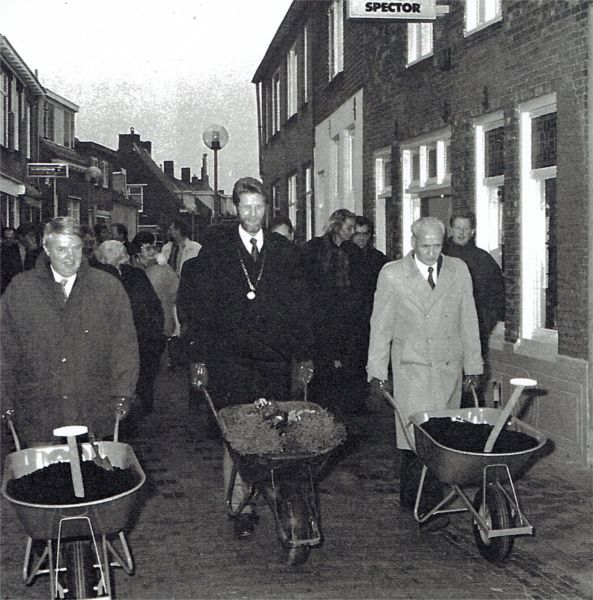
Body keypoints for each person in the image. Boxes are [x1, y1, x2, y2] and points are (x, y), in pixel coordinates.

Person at [186, 176, 314, 539]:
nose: (252, 214)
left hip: (274, 361)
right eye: (245, 207)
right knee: (239, 433)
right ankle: (240, 504)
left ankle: (279, 498)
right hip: (230, 361)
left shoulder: (285, 251)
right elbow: (200, 309)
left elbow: (300, 308)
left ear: (267, 209)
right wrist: (198, 358)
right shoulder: (216, 250)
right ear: (234, 208)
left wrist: (304, 356)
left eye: (258, 207)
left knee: (275, 428)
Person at [367, 216, 483, 530]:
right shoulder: (392, 275)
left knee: (441, 436)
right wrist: (376, 373)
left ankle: (426, 501)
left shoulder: (458, 270)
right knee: (415, 438)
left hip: (447, 368)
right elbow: (380, 328)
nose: (431, 253)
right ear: (413, 243)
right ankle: (423, 502)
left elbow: (468, 320)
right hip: (411, 369)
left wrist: (474, 366)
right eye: (425, 246)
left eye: (436, 246)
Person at [0, 217, 139, 445]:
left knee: (94, 476)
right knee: (46, 478)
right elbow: (5, 350)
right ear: (46, 248)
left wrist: (123, 393)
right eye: (61, 249)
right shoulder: (20, 290)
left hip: (93, 408)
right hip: (39, 411)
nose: (70, 256)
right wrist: (4, 400)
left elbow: (124, 345)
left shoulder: (107, 288)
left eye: (75, 248)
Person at [300, 208, 365, 416]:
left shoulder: (353, 252)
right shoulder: (314, 249)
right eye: (348, 227)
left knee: (343, 371)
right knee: (321, 370)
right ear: (336, 226)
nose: (352, 232)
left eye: (353, 228)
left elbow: (358, 287)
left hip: (344, 319)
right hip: (319, 318)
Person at [96, 240, 165, 416]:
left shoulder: (99, 277)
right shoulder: (136, 275)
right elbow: (154, 305)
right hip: (139, 336)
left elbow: (153, 304)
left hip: (133, 336)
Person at [442, 209, 505, 369]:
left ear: (472, 231)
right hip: (441, 336)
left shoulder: (483, 260)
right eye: (458, 228)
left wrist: (483, 326)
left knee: (470, 381)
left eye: (466, 228)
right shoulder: (438, 257)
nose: (461, 233)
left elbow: (497, 296)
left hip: (473, 334)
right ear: (450, 230)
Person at [351, 215, 389, 407]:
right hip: (351, 320)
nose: (360, 239)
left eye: (364, 234)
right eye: (357, 234)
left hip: (372, 317)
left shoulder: (378, 260)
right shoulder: (343, 257)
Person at [0, 223, 42, 294]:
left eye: (36, 236)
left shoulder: (41, 253)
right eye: (31, 236)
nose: (34, 239)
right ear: (21, 237)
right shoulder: (6, 252)